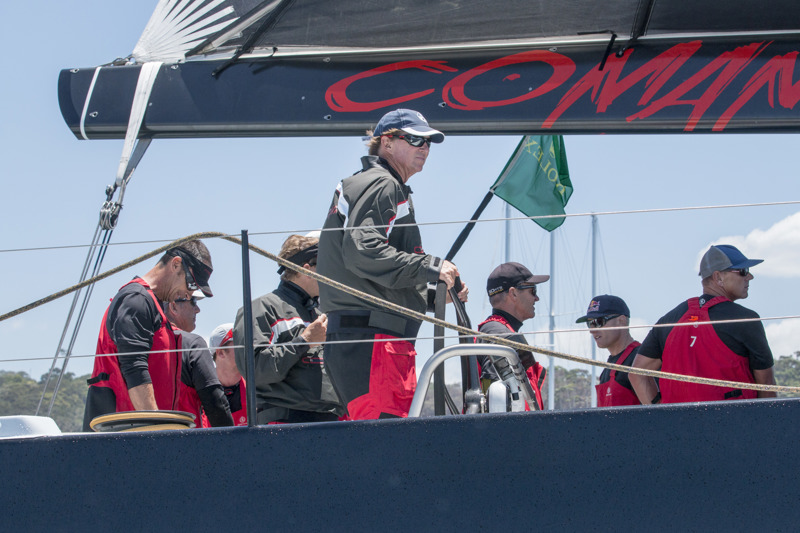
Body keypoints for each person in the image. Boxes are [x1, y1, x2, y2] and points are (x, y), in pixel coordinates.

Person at [317, 108, 466, 420]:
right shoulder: (383, 184)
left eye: (428, 142)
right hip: (375, 346)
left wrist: (432, 297)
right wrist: (431, 266)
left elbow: (364, 273)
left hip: (362, 341)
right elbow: (363, 251)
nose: (424, 148)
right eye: (414, 139)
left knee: (378, 444)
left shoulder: (369, 182)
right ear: (386, 142)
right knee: (385, 449)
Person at [83, 240, 213, 430]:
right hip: (124, 436)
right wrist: (156, 432)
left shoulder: (154, 305)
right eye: (192, 283)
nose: (189, 292)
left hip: (139, 434)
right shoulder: (136, 300)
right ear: (175, 264)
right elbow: (135, 369)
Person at [631, 244, 776, 404]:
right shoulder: (745, 319)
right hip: (733, 424)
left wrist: (658, 411)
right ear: (718, 277)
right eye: (743, 271)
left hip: (676, 425)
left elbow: (636, 373)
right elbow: (766, 385)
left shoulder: (669, 319)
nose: (749, 277)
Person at [233, 234, 342, 424]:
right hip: (284, 424)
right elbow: (255, 370)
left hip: (332, 422)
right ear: (305, 269)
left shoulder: (323, 312)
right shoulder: (261, 308)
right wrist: (304, 341)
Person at [476, 262, 548, 410]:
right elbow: (498, 402)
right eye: (533, 291)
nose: (537, 298)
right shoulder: (499, 335)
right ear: (513, 293)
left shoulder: (495, 331)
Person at [165, 292, 233, 427]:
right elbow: (216, 403)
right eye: (193, 302)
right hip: (186, 442)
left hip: (135, 442)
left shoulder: (138, 344)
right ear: (174, 307)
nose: (198, 309)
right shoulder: (193, 344)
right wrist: (232, 443)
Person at [576, 295, 641, 407]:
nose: (592, 330)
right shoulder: (607, 369)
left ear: (621, 321)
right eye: (590, 324)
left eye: (598, 322)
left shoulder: (642, 358)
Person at [207, 323, 248, 426]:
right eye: (240, 342)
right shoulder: (199, 392)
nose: (248, 346)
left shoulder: (257, 388)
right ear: (221, 353)